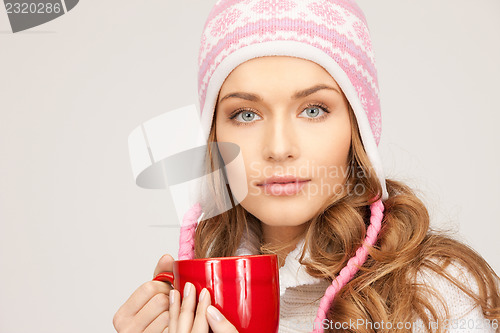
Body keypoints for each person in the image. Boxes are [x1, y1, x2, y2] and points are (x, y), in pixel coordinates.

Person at [113, 0, 500, 332]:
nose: (279, 148)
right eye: (246, 114)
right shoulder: (200, 299)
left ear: (358, 126)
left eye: (313, 110)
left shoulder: (437, 294)